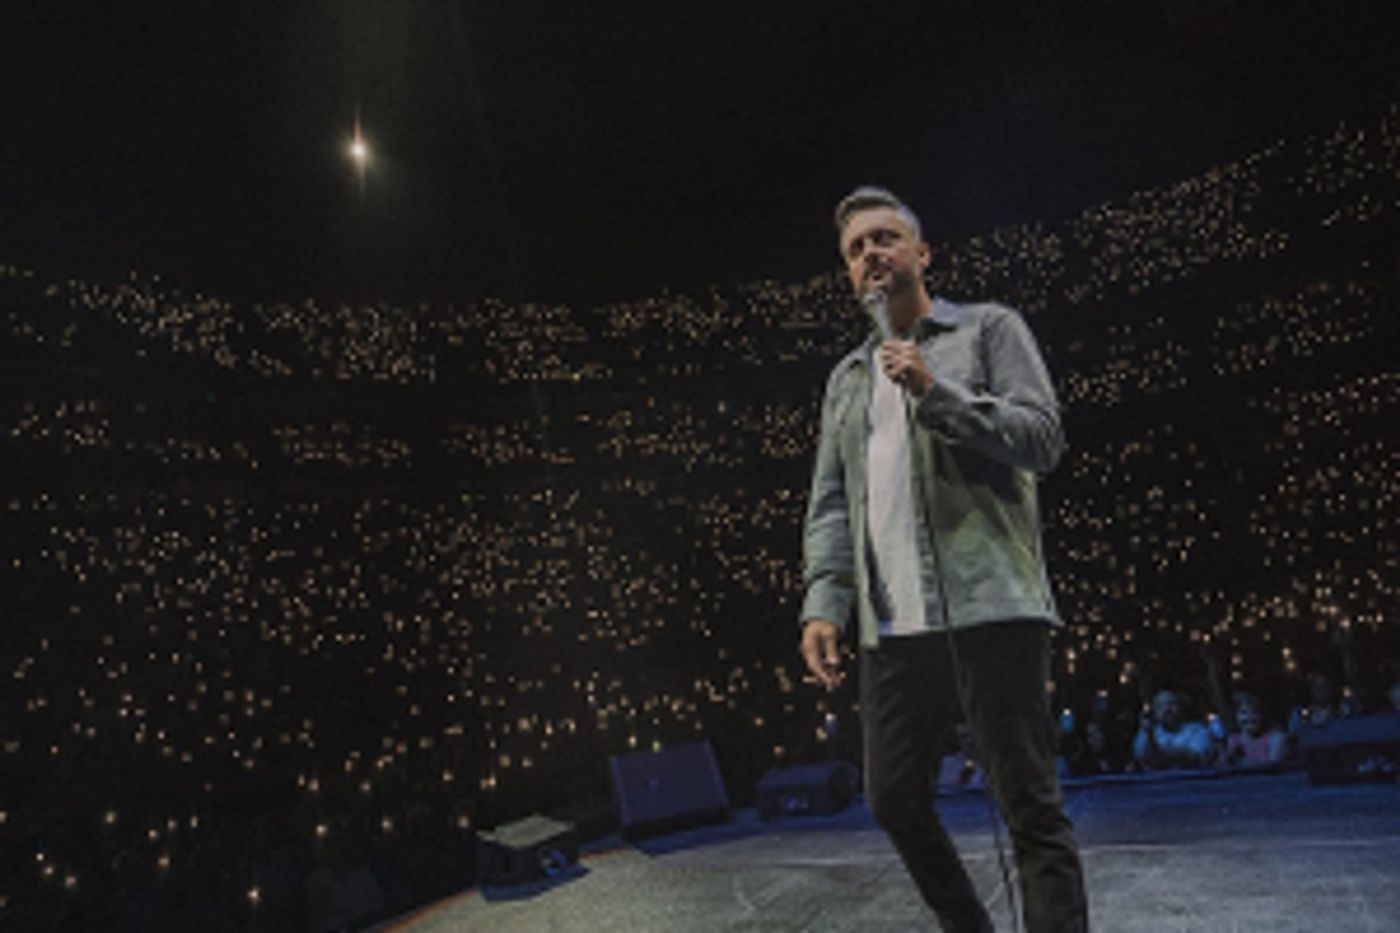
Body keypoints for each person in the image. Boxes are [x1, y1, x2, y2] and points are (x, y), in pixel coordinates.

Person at [799, 186, 1087, 933]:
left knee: (1028, 805)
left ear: (921, 253)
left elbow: (1042, 438)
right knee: (893, 797)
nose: (871, 254)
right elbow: (831, 503)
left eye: (885, 238)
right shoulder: (847, 379)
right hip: (891, 625)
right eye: (857, 248)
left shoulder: (989, 328)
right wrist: (824, 603)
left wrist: (936, 391)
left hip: (990, 605)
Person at [1131, 689, 1215, 770]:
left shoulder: (1197, 731)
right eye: (1160, 706)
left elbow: (1193, 757)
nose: (1167, 709)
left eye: (1171, 704)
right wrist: (1148, 734)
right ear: (1154, 712)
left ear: (1181, 708)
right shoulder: (1146, 733)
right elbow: (1144, 759)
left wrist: (1161, 752)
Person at [1222, 691, 1289, 768]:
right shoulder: (1233, 740)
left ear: (1262, 716)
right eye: (1243, 713)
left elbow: (1273, 770)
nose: (1248, 717)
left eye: (1254, 712)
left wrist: (1240, 760)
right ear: (1236, 717)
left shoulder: (1276, 738)